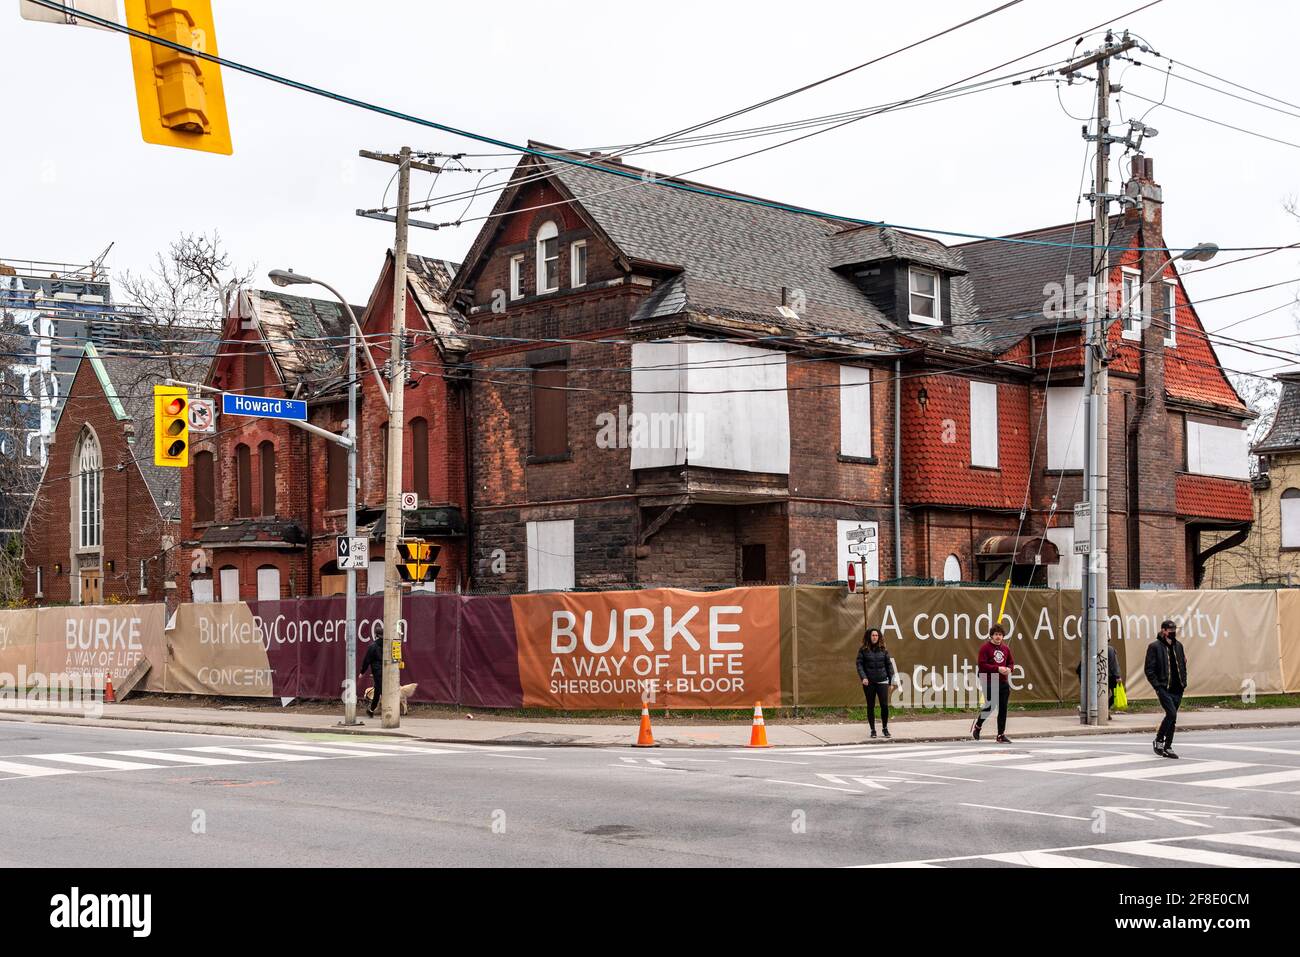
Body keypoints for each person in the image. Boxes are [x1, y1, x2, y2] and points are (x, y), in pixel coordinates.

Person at [1144, 619, 1187, 759]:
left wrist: (1184, 683)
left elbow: (1183, 664)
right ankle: (1159, 740)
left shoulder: (1179, 646)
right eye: (1170, 630)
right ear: (1163, 630)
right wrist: (1157, 686)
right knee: (1172, 714)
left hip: (1177, 688)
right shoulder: (1154, 647)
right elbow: (1149, 669)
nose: (1173, 632)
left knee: (1173, 718)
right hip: (1164, 688)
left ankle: (1168, 746)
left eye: (1175, 629)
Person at [971, 623, 1014, 743]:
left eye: (1000, 635)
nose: (998, 637)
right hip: (989, 679)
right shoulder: (985, 648)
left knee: (1003, 708)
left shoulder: (1006, 649)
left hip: (1003, 681)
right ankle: (978, 726)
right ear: (991, 636)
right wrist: (998, 669)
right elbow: (982, 665)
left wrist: (1009, 669)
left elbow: (1011, 662)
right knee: (990, 705)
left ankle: (1000, 735)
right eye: (996, 634)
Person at [855, 627, 896, 739]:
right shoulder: (863, 650)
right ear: (869, 636)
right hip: (869, 682)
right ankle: (873, 730)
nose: (875, 637)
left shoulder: (883, 649)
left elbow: (889, 666)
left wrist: (891, 681)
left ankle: (885, 728)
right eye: (873, 635)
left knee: (884, 706)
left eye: (877, 635)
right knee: (870, 706)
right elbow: (859, 665)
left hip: (882, 681)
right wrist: (863, 677)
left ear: (879, 637)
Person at [361, 638, 383, 718]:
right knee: (377, 691)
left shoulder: (372, 646)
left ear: (376, 635)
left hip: (377, 672)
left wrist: (362, 671)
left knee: (381, 691)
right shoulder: (387, 644)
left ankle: (387, 712)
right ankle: (371, 710)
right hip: (387, 671)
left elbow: (367, 660)